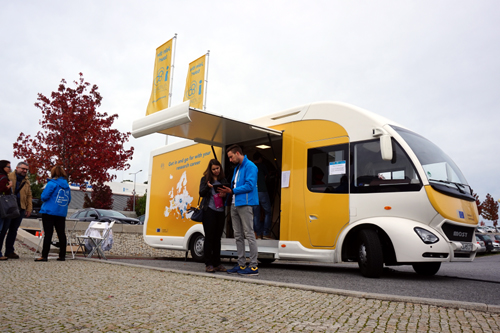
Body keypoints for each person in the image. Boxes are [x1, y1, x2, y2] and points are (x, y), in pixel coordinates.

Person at [219, 145, 259, 276]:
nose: (230, 160)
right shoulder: (237, 168)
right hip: (234, 203)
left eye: (231, 156)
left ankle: (253, 266)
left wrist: (232, 191)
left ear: (237, 153)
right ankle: (241, 264)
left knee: (249, 234)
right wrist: (227, 193)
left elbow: (250, 185)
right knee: (238, 235)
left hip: (245, 203)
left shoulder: (251, 166)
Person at [35, 166, 71, 262]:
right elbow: (69, 200)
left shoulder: (51, 183)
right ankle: (62, 255)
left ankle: (44, 256)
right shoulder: (67, 186)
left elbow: (44, 197)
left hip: (49, 211)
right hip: (61, 212)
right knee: (61, 234)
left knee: (48, 234)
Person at [199, 159, 228, 273]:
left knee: (218, 238)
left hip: (220, 211)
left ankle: (217, 263)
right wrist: (208, 187)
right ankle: (208, 263)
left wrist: (224, 194)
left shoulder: (223, 179)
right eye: (214, 169)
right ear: (210, 170)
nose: (216, 171)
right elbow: (201, 193)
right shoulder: (205, 179)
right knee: (209, 237)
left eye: (218, 168)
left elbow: (227, 195)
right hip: (209, 211)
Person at [0, 162, 32, 259]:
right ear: (17, 168)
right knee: (3, 230)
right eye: (23, 169)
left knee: (13, 230)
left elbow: (29, 195)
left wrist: (29, 208)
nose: (24, 171)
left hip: (20, 208)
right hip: (8, 207)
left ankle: (9, 251)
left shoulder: (26, 181)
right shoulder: (8, 176)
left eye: (26, 169)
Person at [252, 152, 273, 240]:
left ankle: (257, 233)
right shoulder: (262, 166)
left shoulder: (250, 166)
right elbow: (267, 177)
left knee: (256, 214)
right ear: (260, 158)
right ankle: (265, 233)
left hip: (253, 192)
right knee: (268, 211)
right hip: (262, 190)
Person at [0, 160, 13, 261]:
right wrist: (9, 186)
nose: (10, 169)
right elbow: (2, 189)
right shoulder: (3, 178)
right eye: (8, 167)